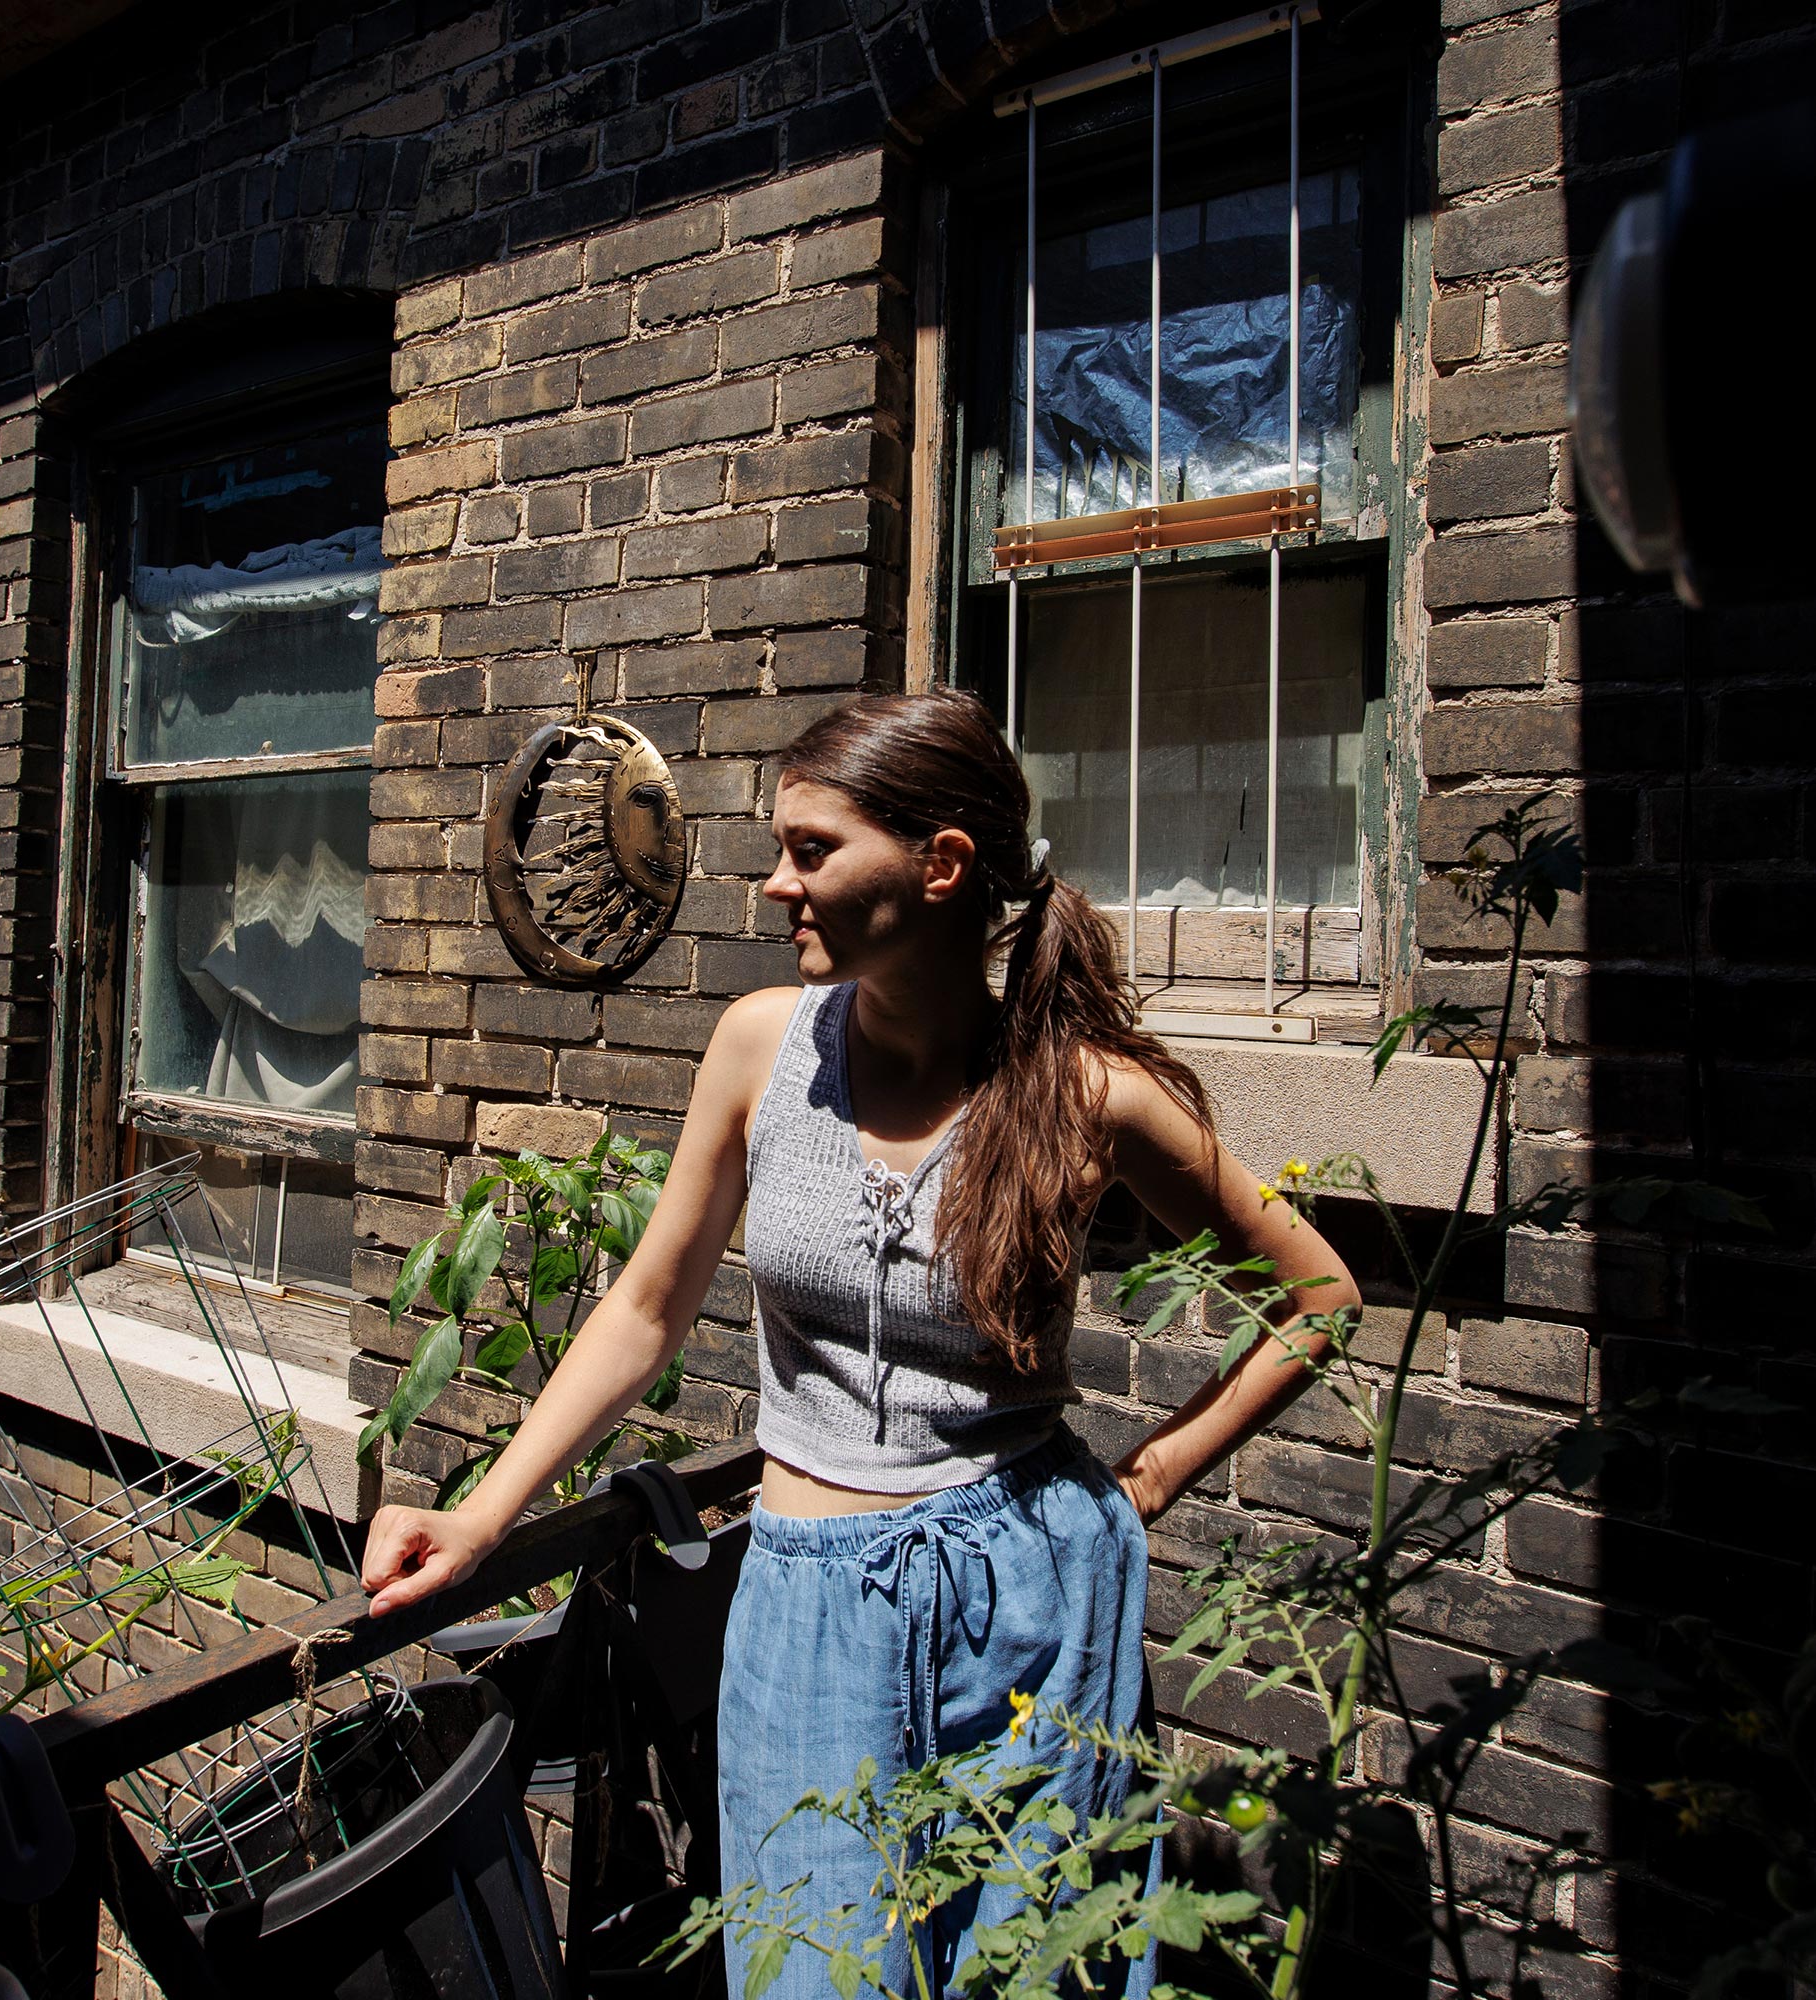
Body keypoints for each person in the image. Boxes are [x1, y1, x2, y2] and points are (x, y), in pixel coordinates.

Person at [358, 688, 1360, 1997]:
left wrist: (1155, 1475)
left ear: (941, 866)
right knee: (818, 1970)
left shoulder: (1085, 1096)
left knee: (1022, 1968)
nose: (777, 885)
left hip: (1031, 1599)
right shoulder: (760, 1049)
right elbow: (647, 1310)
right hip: (810, 1603)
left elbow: (1322, 1300)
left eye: (811, 851)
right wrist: (486, 1519)